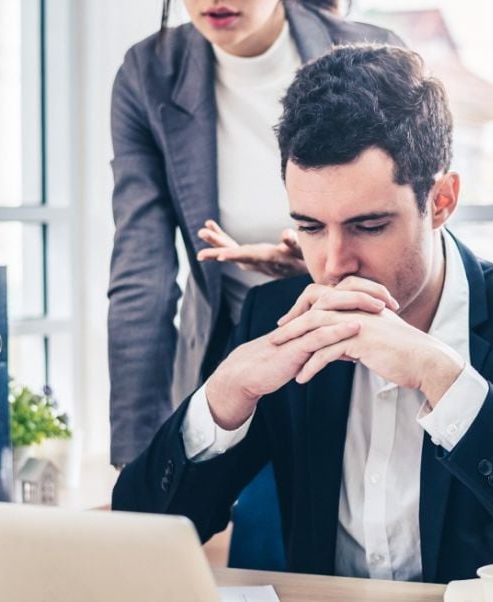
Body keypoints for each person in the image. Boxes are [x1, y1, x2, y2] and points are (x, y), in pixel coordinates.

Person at [112, 45, 493, 600]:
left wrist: (447, 383)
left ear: (441, 201)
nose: (333, 263)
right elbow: (138, 537)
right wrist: (224, 395)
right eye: (311, 227)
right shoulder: (275, 318)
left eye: (368, 225)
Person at [108, 0, 400, 468]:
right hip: (233, 352)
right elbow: (140, 276)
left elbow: (415, 233)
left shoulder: (375, 54)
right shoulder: (150, 73)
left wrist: (314, 262)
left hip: (355, 345)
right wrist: (138, 459)